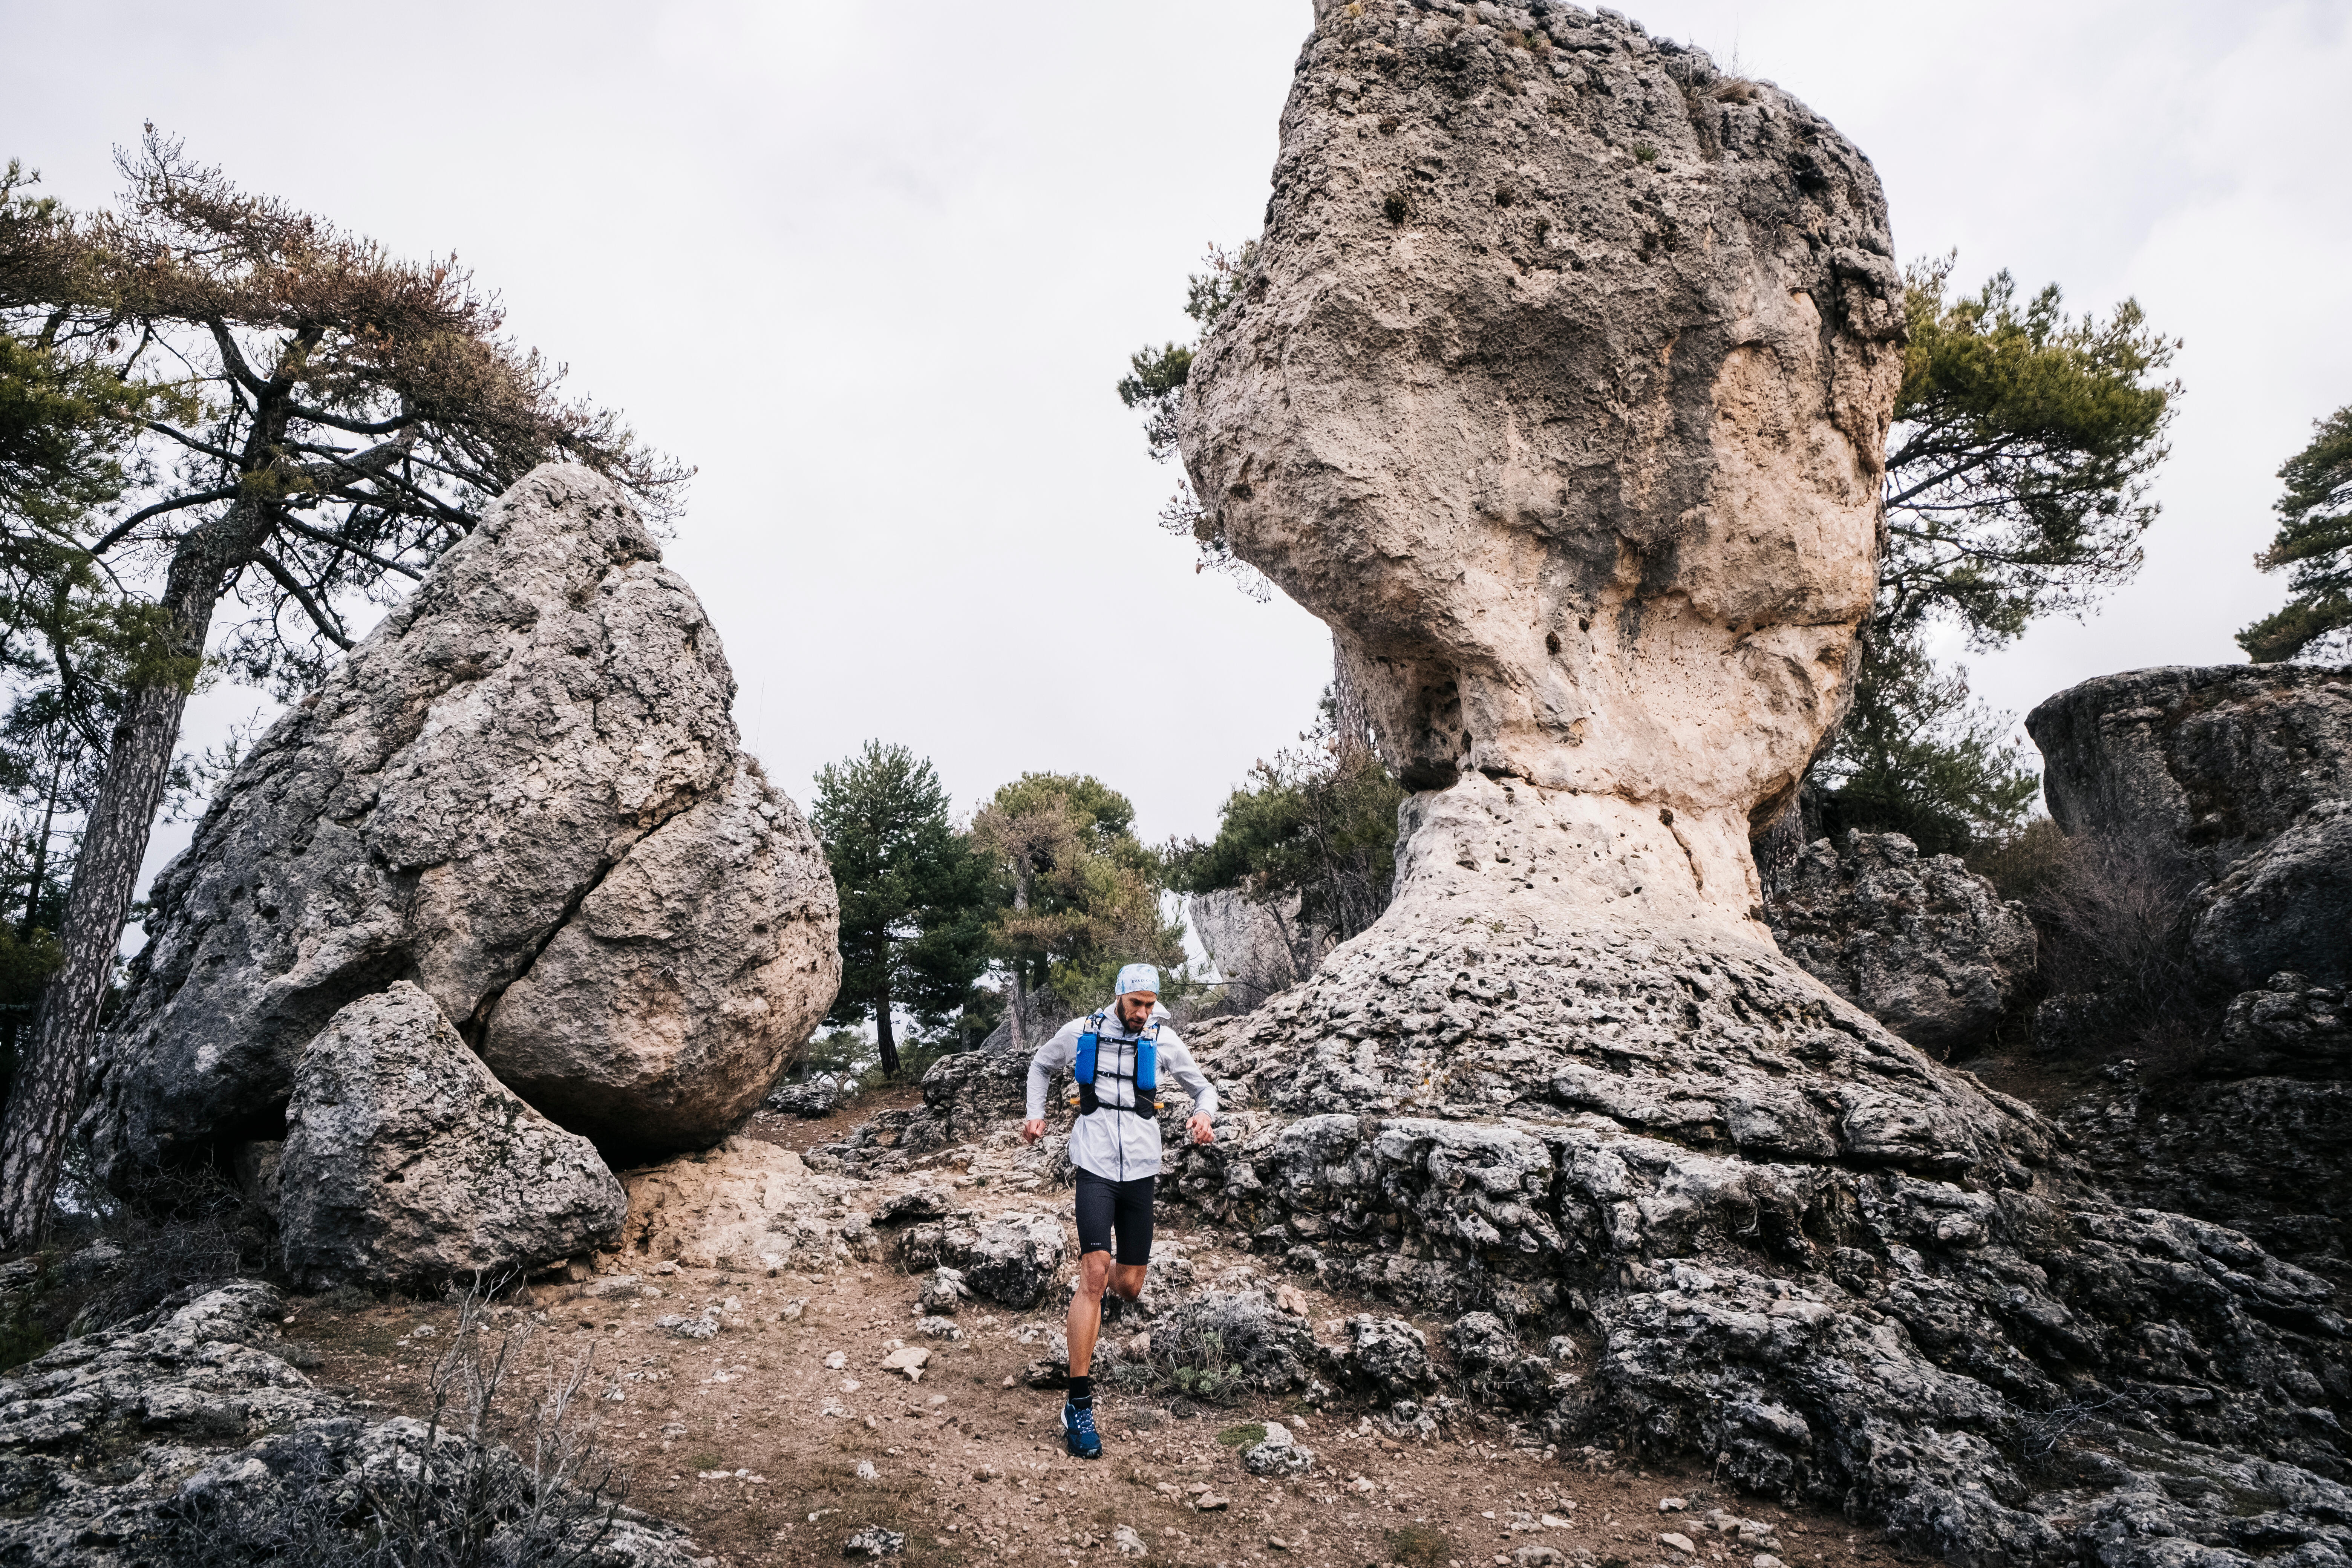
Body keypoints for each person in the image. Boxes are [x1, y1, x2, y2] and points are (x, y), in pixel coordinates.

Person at [1022, 962, 1216, 1459]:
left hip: (1141, 1173)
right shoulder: (1081, 1032)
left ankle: (1101, 1294)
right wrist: (1036, 1113)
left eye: (1151, 1005)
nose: (1143, 1014)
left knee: (1127, 1286)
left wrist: (1203, 1115)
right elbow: (1041, 1065)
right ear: (1119, 997)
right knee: (1094, 1273)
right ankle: (1079, 1405)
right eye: (1137, 1005)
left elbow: (1204, 1088)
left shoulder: (1164, 1040)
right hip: (1095, 1166)